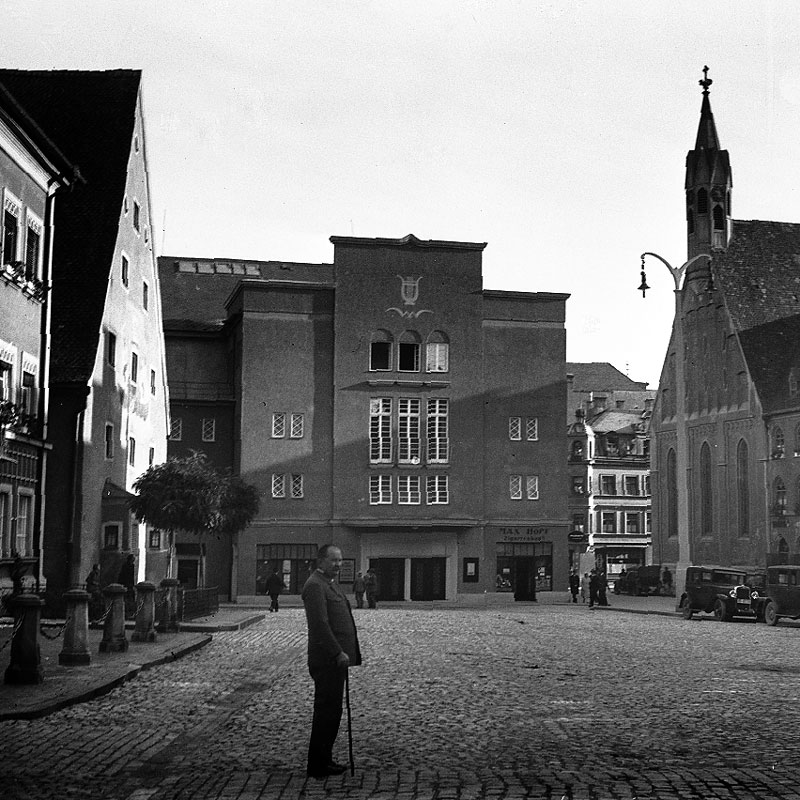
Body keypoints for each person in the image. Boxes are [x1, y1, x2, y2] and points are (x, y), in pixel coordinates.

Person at [301, 544, 362, 779]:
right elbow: (319, 626)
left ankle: (325, 759)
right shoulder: (315, 585)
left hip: (336, 662)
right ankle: (317, 764)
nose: (338, 565)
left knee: (333, 712)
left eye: (340, 560)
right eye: (333, 560)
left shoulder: (329, 583)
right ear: (321, 561)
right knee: (325, 712)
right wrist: (337, 652)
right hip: (327, 660)